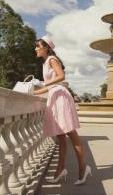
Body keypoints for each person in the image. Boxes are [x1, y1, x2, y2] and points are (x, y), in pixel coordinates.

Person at [33, 36, 91, 185]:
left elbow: (61, 76)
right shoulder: (46, 62)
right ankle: (60, 170)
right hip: (55, 95)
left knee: (71, 133)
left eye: (38, 46)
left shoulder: (52, 59)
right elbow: (48, 86)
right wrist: (31, 92)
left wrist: (41, 82)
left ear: (46, 47)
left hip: (60, 97)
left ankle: (83, 169)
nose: (36, 49)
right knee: (60, 136)